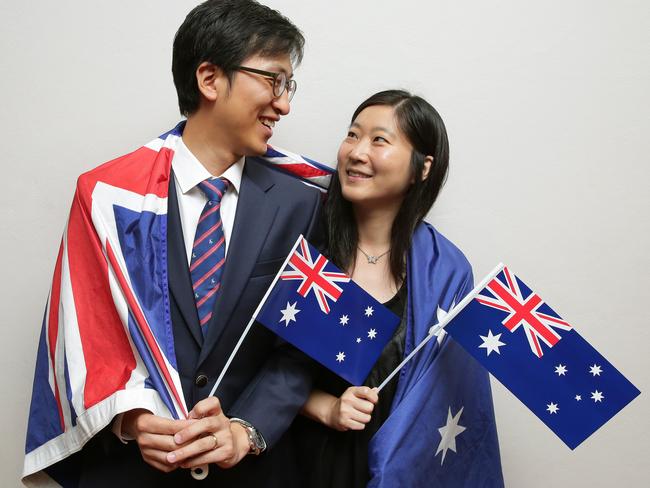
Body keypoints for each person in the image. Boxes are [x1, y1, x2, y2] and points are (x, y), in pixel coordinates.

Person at [24, 1, 321, 486]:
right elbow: (84, 336)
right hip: (129, 473)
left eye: (289, 86)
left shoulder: (301, 205)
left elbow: (301, 348)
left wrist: (246, 430)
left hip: (253, 473)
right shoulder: (107, 197)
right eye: (273, 80)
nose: (284, 104)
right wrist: (131, 421)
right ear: (209, 79)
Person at [293, 90, 504, 487]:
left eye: (379, 140)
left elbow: (453, 396)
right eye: (353, 135)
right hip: (303, 465)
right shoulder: (307, 249)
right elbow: (251, 368)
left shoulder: (446, 270)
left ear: (422, 168)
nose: (357, 152)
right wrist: (327, 408)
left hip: (400, 468)